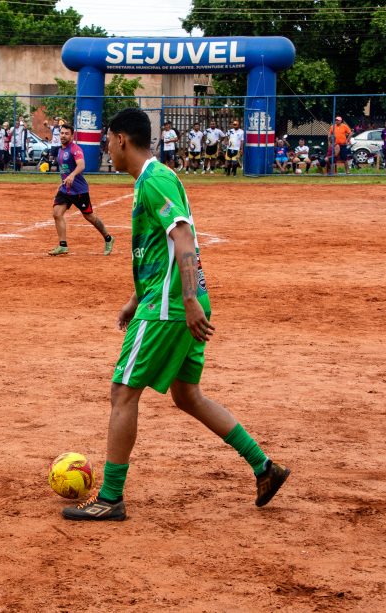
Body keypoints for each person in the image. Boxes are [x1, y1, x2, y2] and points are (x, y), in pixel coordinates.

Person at [61, 108, 289, 521]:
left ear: (121, 139)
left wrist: (186, 300)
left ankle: (111, 497)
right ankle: (264, 466)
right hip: (166, 300)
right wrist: (136, 297)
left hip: (169, 307)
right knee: (187, 395)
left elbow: (183, 237)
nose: (106, 148)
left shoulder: (155, 179)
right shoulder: (150, 181)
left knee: (123, 392)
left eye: (108, 139)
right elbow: (160, 251)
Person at [48, 124, 114, 257]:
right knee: (57, 213)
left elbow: (82, 165)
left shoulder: (75, 149)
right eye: (62, 133)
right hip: (65, 189)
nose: (63, 136)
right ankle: (63, 246)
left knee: (89, 216)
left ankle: (108, 238)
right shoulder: (59, 150)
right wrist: (62, 183)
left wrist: (72, 175)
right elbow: (64, 170)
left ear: (72, 136)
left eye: (67, 133)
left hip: (79, 190)